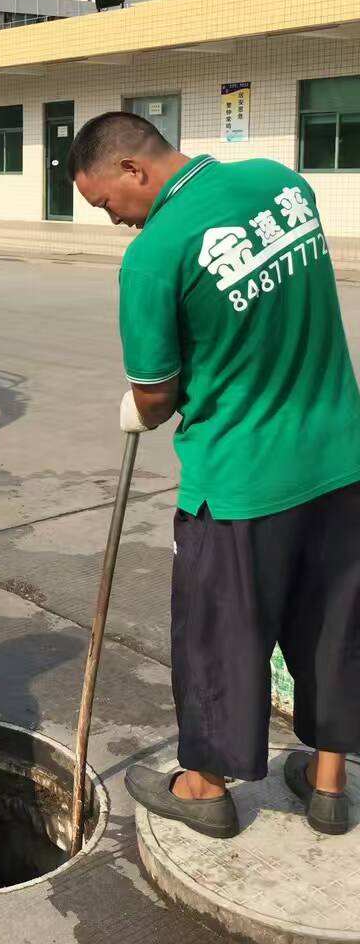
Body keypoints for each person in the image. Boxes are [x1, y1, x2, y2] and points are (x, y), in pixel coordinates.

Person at [68, 112, 360, 840]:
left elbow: (156, 392)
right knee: (334, 621)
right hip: (339, 459)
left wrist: (138, 408)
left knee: (219, 635)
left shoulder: (155, 255)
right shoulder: (283, 186)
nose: (115, 221)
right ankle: (329, 786)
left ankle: (204, 787)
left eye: (107, 203)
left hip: (239, 481)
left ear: (133, 170)